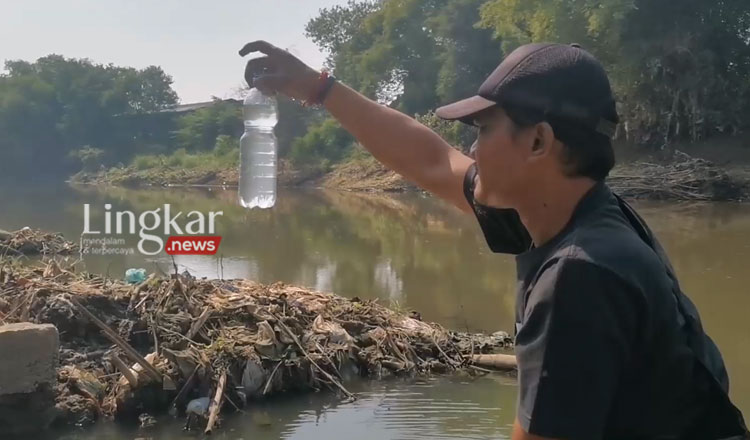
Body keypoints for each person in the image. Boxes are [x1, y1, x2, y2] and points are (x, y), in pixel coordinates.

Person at [239, 40, 748, 440]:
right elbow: (432, 162)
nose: (470, 147)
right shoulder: (574, 215)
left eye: (482, 128)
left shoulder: (580, 276)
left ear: (538, 142)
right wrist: (319, 88)